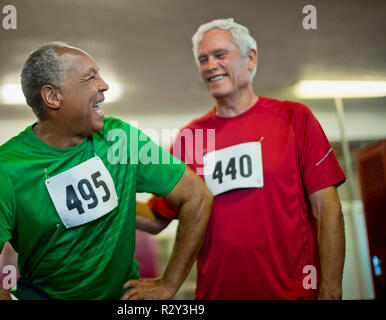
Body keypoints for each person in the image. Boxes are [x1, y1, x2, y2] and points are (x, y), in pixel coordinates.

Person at [0, 42, 213, 300]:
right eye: (91, 77)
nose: (103, 85)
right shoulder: (3, 170)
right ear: (53, 97)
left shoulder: (120, 139)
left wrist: (168, 284)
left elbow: (197, 197)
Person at [139, 18, 346, 300]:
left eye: (220, 55)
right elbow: (158, 216)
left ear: (250, 58)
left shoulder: (294, 119)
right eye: (203, 59)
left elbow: (328, 210)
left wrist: (331, 291)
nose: (210, 65)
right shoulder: (191, 136)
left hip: (294, 294)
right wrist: (113, 196)